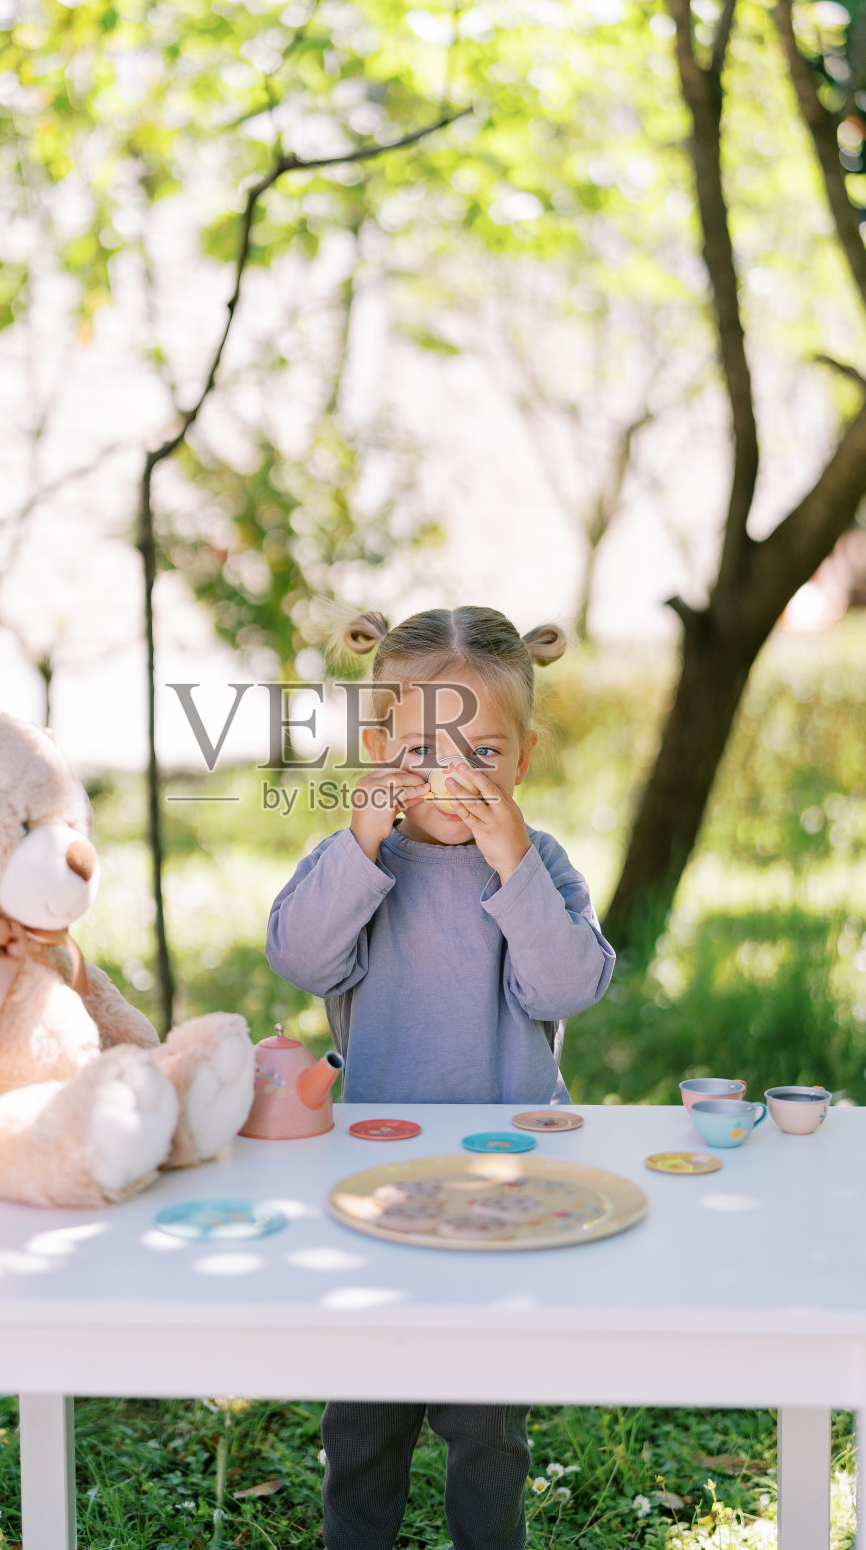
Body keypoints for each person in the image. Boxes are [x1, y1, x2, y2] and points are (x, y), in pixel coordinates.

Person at [265, 604, 615, 1550]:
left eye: (482, 753)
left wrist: (512, 864)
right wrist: (358, 845)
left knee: (486, 1422)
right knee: (364, 1417)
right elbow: (299, 958)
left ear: (522, 761)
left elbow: (568, 985)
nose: (453, 776)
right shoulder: (357, 863)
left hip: (506, 1184)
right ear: (380, 752)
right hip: (375, 1180)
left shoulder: (537, 864)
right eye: (422, 752)